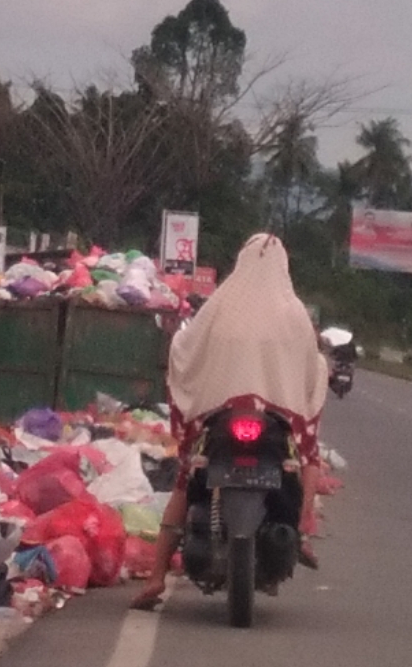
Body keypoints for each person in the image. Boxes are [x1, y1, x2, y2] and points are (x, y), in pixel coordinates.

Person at [132, 233, 329, 609]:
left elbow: (185, 348)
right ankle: (300, 531)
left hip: (220, 416)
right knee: (306, 458)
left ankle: (156, 577)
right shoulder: (294, 313)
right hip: (275, 421)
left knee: (187, 479)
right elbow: (312, 366)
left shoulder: (220, 307)